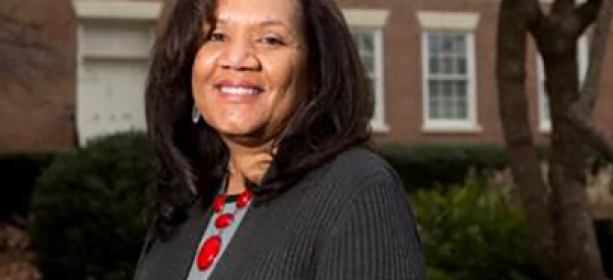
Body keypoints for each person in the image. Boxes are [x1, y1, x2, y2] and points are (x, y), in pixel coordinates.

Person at [134, 0, 427, 278]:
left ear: (315, 71)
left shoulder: (356, 190)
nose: (237, 59)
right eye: (216, 35)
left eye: (270, 40)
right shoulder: (186, 200)